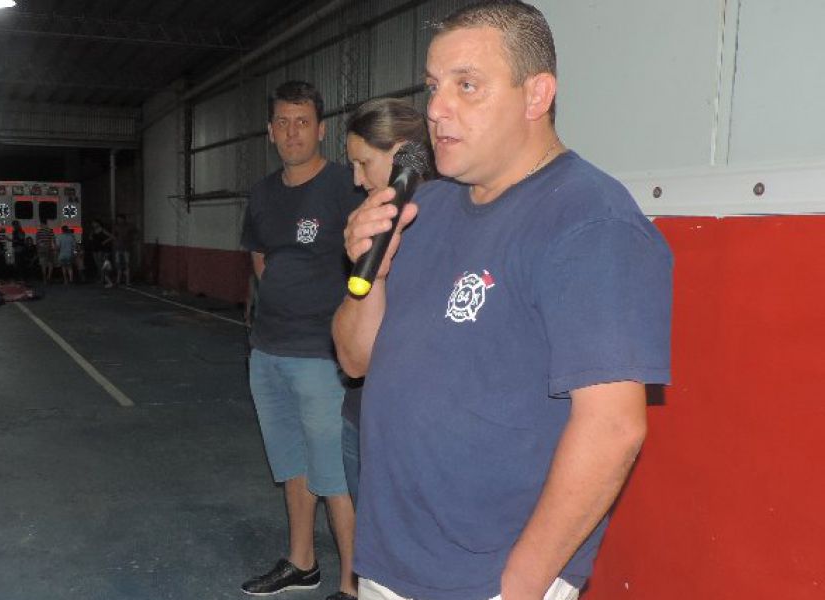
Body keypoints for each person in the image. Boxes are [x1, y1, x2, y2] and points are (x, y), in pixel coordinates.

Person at [332, 3, 674, 600]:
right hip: (392, 559)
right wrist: (374, 275)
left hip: (486, 577)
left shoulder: (589, 221)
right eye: (435, 86)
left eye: (467, 86)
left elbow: (614, 427)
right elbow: (356, 360)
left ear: (536, 94)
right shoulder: (427, 207)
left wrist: (523, 582)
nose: (437, 108)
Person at [239, 80, 365, 600]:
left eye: (303, 122)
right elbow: (261, 260)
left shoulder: (344, 186)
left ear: (321, 129)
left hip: (322, 357)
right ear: (271, 132)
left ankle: (352, 585)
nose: (293, 132)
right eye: (283, 123)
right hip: (267, 351)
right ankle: (302, 563)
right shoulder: (263, 195)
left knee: (333, 475)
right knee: (290, 463)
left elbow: (372, 260)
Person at [340, 98, 433, 503]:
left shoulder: (445, 224)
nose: (358, 181)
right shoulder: (369, 228)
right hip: (362, 414)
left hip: (413, 430)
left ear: (400, 156)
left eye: (364, 163)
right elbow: (353, 356)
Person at [112, 214, 134, 286]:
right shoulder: (116, 227)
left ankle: (127, 280)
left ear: (124, 219)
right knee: (119, 264)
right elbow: (114, 236)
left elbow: (135, 234)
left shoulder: (129, 227)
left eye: (121, 219)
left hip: (126, 247)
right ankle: (118, 279)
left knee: (127, 264)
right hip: (118, 247)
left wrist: (131, 240)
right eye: (118, 219)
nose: (119, 220)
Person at [35, 218, 56, 284]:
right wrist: (54, 249)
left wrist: (38, 250)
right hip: (49, 249)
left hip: (42, 249)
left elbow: (37, 242)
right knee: (50, 264)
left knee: (43, 265)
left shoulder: (38, 232)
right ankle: (49, 277)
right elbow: (53, 240)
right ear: (46, 223)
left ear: (42, 224)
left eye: (40, 224)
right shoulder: (50, 230)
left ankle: (44, 279)